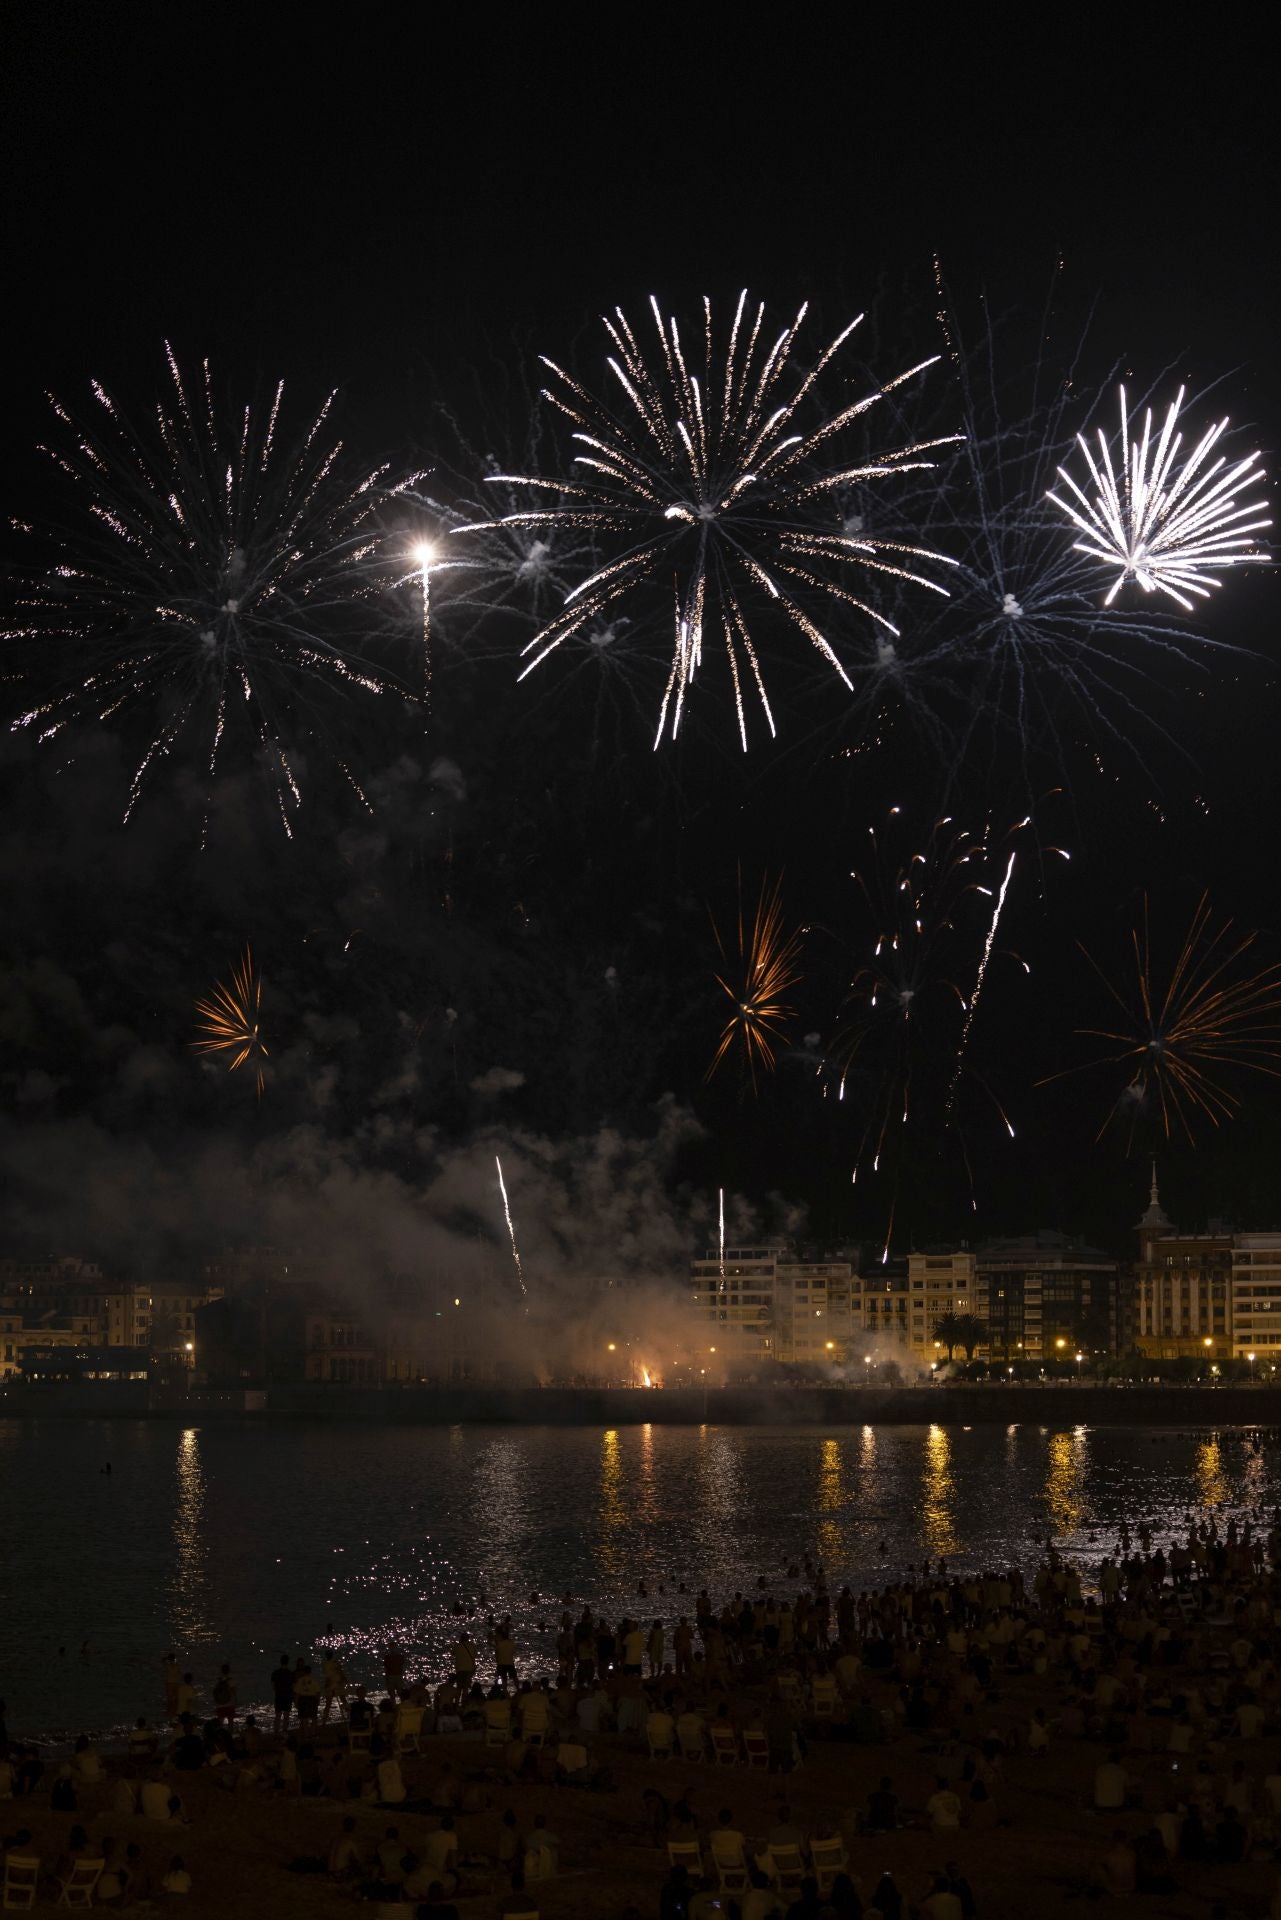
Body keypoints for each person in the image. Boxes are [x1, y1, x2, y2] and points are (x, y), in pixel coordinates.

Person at [270, 1654, 294, 1733]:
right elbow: (292, 1686)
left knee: (278, 1715)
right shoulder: (290, 1673)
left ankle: (276, 1731)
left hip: (279, 1696)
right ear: (288, 1662)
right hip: (287, 1696)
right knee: (286, 1715)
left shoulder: (275, 1673)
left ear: (280, 1662)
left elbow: (273, 1686)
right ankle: (284, 1730)